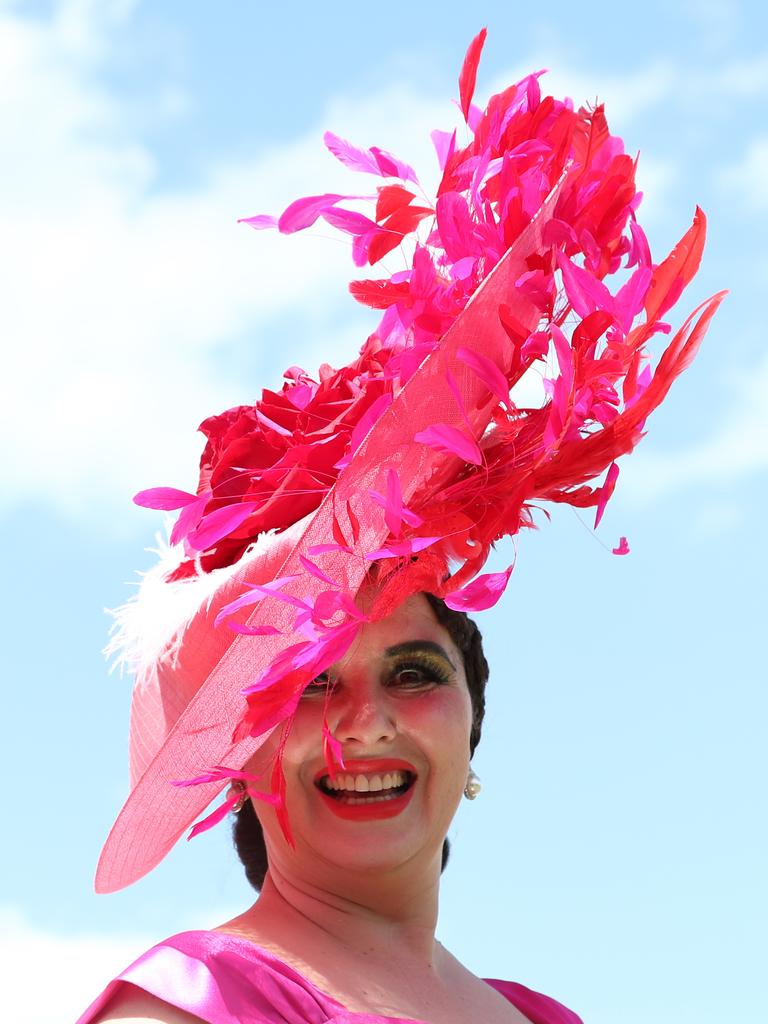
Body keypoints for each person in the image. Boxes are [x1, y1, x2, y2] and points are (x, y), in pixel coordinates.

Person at [76, 29, 723, 1024]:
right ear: (240, 756)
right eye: (308, 683)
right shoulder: (193, 1004)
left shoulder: (545, 1016)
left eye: (415, 672)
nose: (367, 720)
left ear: (472, 720)